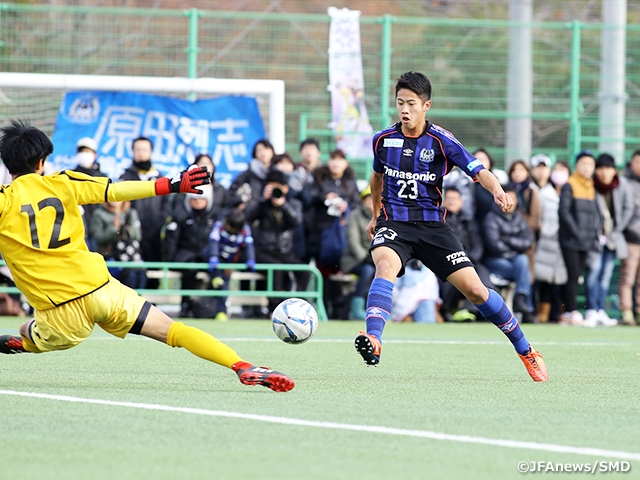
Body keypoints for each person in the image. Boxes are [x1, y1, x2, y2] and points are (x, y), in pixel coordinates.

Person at [0, 119, 294, 393]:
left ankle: (27, 341)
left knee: (30, 330)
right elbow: (116, 191)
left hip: (60, 312)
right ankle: (242, 366)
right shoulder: (63, 183)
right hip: (103, 290)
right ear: (41, 163)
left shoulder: (4, 201)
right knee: (175, 331)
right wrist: (171, 184)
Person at [354, 72, 547, 382]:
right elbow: (377, 178)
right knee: (384, 266)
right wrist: (376, 214)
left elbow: (478, 170)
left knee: (476, 290)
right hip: (395, 225)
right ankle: (374, 338)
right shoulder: (383, 140)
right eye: (400, 103)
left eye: (412, 104)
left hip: (433, 228)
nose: (405, 109)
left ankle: (526, 350)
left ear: (426, 105)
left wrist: (498, 191)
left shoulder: (442, 141)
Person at [244, 169, 309, 314]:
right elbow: (248, 217)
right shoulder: (262, 204)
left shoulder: (293, 203)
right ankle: (275, 309)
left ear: (285, 188)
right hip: (262, 251)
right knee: (276, 268)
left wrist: (283, 205)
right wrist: (262, 200)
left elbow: (296, 222)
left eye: (277, 188)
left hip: (284, 251)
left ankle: (299, 306)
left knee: (304, 270)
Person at [584, 153, 633, 326]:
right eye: (601, 168)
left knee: (605, 275)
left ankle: (600, 310)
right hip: (595, 238)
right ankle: (591, 309)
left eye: (609, 168)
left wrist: (617, 230)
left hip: (613, 238)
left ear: (614, 170)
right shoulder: (590, 186)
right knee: (593, 272)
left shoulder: (622, 185)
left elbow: (628, 208)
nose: (605, 172)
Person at [558, 150, 602, 326]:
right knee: (573, 275)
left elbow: (594, 214)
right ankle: (569, 311)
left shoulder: (590, 185)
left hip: (586, 241)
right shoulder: (570, 184)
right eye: (584, 163)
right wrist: (576, 233)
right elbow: (564, 212)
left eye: (590, 164)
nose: (587, 167)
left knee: (577, 276)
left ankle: (571, 310)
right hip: (571, 240)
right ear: (577, 165)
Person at [439, 187, 494, 322]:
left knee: (482, 272)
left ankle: (485, 308)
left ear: (461, 201)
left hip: (470, 261)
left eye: (455, 199)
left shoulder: (469, 220)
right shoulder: (438, 220)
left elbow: (478, 245)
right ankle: (459, 309)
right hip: (448, 262)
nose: (451, 202)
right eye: (449, 199)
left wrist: (467, 260)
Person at [482, 185, 536, 323]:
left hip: (514, 261)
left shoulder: (518, 217)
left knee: (522, 261)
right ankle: (525, 306)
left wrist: (507, 240)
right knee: (522, 264)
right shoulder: (490, 217)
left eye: (512, 198)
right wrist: (514, 250)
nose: (509, 201)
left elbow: (528, 241)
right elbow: (494, 245)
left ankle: (521, 301)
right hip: (495, 262)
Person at [164, 185, 217, 319]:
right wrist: (169, 260)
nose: (197, 201)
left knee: (217, 271)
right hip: (186, 254)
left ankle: (210, 307)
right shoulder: (180, 216)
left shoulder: (214, 217)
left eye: (201, 198)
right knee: (189, 269)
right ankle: (186, 304)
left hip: (206, 254)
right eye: (194, 198)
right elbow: (171, 240)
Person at [118, 136, 169, 267]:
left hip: (155, 232)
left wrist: (161, 221)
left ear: (151, 151)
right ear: (132, 152)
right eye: (137, 149)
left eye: (144, 149)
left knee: (154, 270)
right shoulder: (125, 178)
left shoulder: (160, 178)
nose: (141, 153)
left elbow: (167, 204)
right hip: (132, 233)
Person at [530, 156, 568, 323]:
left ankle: (555, 313)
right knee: (539, 279)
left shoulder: (557, 191)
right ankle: (536, 312)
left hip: (558, 242)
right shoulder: (533, 189)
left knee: (556, 281)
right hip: (537, 239)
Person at [207, 208, 257, 321]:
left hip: (229, 261)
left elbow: (249, 245)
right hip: (215, 258)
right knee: (210, 259)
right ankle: (215, 277)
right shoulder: (219, 225)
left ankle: (221, 312)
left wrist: (250, 259)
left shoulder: (244, 230)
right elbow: (213, 242)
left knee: (224, 284)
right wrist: (213, 257)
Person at [89, 200, 147, 291]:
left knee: (140, 275)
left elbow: (138, 236)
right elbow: (98, 237)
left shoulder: (131, 212)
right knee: (129, 276)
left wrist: (126, 228)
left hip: (130, 256)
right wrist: (114, 228)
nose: (115, 200)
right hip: (110, 256)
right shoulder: (99, 214)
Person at [341, 186, 376, 320]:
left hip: (375, 259)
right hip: (354, 260)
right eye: (369, 198)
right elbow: (353, 240)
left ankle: (381, 308)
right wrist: (365, 257)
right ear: (363, 201)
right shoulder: (355, 215)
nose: (373, 201)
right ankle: (357, 308)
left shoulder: (384, 215)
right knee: (367, 270)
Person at [619, 149, 640, 326]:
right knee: (628, 278)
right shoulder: (624, 182)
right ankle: (626, 312)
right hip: (631, 238)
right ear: (632, 163)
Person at [228, 139, 274, 208]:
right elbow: (231, 190)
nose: (263, 152)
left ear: (272, 151)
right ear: (255, 154)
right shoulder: (249, 173)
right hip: (252, 210)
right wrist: (239, 203)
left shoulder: (276, 172)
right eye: (259, 150)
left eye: (266, 149)